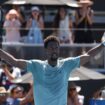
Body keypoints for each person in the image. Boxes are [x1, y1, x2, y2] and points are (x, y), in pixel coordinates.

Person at [0, 35, 105, 105]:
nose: (54, 50)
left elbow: (88, 55)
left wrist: (103, 44)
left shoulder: (66, 64)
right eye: (51, 48)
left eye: (56, 47)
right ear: (46, 50)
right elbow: (14, 61)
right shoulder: (36, 65)